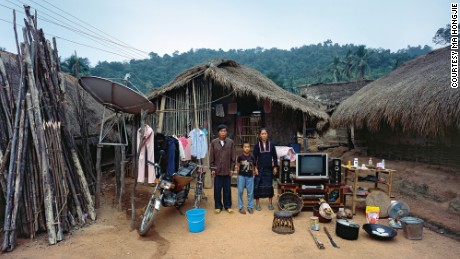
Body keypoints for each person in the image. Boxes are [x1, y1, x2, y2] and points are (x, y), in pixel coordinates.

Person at [209, 124, 236, 214]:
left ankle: (227, 206)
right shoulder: (214, 143)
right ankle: (218, 206)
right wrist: (212, 169)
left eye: (224, 131)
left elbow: (233, 157)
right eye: (221, 131)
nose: (223, 133)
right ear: (218, 132)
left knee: (227, 190)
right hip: (217, 171)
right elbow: (211, 157)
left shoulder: (230, 142)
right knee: (217, 190)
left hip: (227, 171)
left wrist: (232, 169)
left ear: (227, 132)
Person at [253, 128, 278, 211]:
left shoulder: (271, 145)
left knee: (269, 185)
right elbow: (254, 157)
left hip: (268, 169)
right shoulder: (257, 145)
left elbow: (274, 157)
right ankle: (257, 204)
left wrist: (275, 167)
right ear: (260, 135)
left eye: (265, 133)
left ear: (267, 135)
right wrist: (255, 168)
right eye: (262, 134)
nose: (264, 135)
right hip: (259, 169)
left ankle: (270, 203)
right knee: (257, 185)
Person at [235, 142, 257, 214]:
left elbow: (254, 166)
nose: (247, 148)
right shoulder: (240, 157)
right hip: (241, 176)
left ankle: (250, 207)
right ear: (243, 148)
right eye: (245, 147)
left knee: (250, 192)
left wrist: (254, 173)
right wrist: (238, 176)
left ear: (250, 148)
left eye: (248, 147)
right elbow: (238, 166)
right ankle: (241, 207)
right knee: (240, 191)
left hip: (250, 176)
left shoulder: (252, 157)